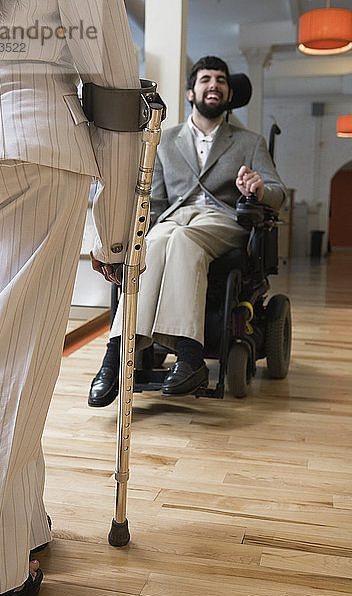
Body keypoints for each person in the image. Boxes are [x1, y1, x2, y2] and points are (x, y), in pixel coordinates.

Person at [0, 1, 141, 596]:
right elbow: (113, 86)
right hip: (34, 144)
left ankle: (22, 527)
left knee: (2, 365)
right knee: (1, 374)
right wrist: (117, 234)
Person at [88, 55, 286, 408]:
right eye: (206, 79)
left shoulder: (249, 141)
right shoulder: (165, 140)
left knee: (181, 238)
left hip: (221, 220)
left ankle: (189, 354)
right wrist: (133, 237)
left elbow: (277, 191)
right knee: (151, 243)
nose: (215, 85)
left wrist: (258, 187)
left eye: (222, 80)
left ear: (229, 93)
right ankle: (117, 353)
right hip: (174, 220)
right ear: (191, 93)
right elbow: (158, 202)